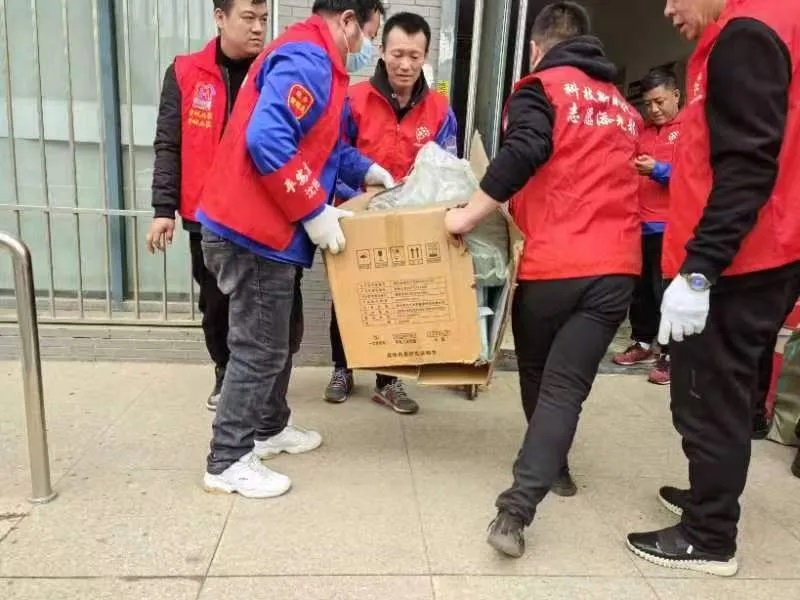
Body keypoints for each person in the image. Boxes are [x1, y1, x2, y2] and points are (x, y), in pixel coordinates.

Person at [445, 1, 642, 558]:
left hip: (555, 263)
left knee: (540, 375)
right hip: (617, 268)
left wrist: (467, 216)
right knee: (566, 387)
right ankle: (553, 468)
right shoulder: (622, 107)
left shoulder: (540, 88)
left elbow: (524, 150)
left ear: (536, 47)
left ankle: (516, 509)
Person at [626, 0, 800, 577]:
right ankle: (708, 498)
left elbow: (747, 167)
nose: (668, 9)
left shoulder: (748, 35)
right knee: (719, 391)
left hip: (738, 263)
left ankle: (709, 536)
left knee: (709, 397)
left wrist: (699, 271)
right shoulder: (763, 24)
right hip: (755, 254)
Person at [195, 0, 391, 499]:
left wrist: (366, 170)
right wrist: (313, 211)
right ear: (348, 21)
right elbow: (268, 138)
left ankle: (269, 428)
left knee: (278, 340)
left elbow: (323, 147)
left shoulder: (319, 60)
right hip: (252, 233)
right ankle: (227, 460)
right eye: (370, 33)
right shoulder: (308, 58)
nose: (369, 47)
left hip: (267, 234)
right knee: (259, 348)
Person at [324, 11, 458, 414]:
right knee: (347, 296)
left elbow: (447, 167)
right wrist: (357, 198)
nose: (405, 64)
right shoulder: (353, 100)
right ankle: (343, 368)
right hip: (356, 216)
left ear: (425, 57)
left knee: (402, 300)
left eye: (414, 56)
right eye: (398, 53)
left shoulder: (439, 110)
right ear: (382, 51)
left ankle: (389, 379)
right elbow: (331, 157)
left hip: (411, 223)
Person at [146, 0, 268, 411]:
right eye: (248, 18)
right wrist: (163, 209)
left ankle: (262, 382)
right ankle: (225, 371)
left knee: (266, 303)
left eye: (263, 19)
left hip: (261, 215)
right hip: (206, 217)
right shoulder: (185, 72)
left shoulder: (271, 72)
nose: (258, 28)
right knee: (216, 303)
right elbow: (168, 144)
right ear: (220, 18)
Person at [613, 67, 681, 386]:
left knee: (667, 292)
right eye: (648, 103)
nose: (653, 109)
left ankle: (671, 354)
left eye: (660, 101)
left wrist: (659, 170)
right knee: (641, 292)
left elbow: (697, 177)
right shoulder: (642, 131)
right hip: (640, 225)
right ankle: (642, 342)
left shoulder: (691, 129)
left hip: (672, 227)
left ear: (676, 95)